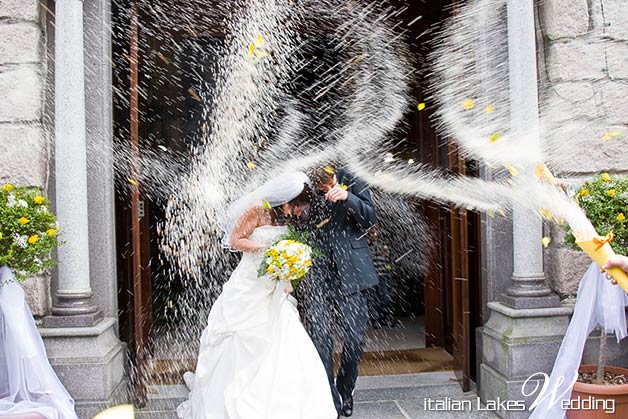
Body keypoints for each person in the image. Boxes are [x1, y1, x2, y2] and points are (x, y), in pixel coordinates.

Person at [176, 172, 337, 419]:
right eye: (296, 205)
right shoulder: (256, 209)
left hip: (273, 288)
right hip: (248, 285)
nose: (297, 211)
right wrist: (268, 250)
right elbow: (235, 240)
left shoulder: (284, 215)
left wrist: (289, 269)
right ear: (285, 198)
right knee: (239, 340)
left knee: (284, 339)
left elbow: (288, 252)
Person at [300, 165, 379, 418]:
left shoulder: (353, 177)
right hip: (316, 272)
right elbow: (297, 221)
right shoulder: (303, 183)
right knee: (320, 338)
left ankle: (346, 390)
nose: (322, 191)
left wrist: (348, 198)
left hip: (351, 271)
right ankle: (329, 396)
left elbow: (370, 218)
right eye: (319, 188)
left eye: (325, 186)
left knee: (355, 338)